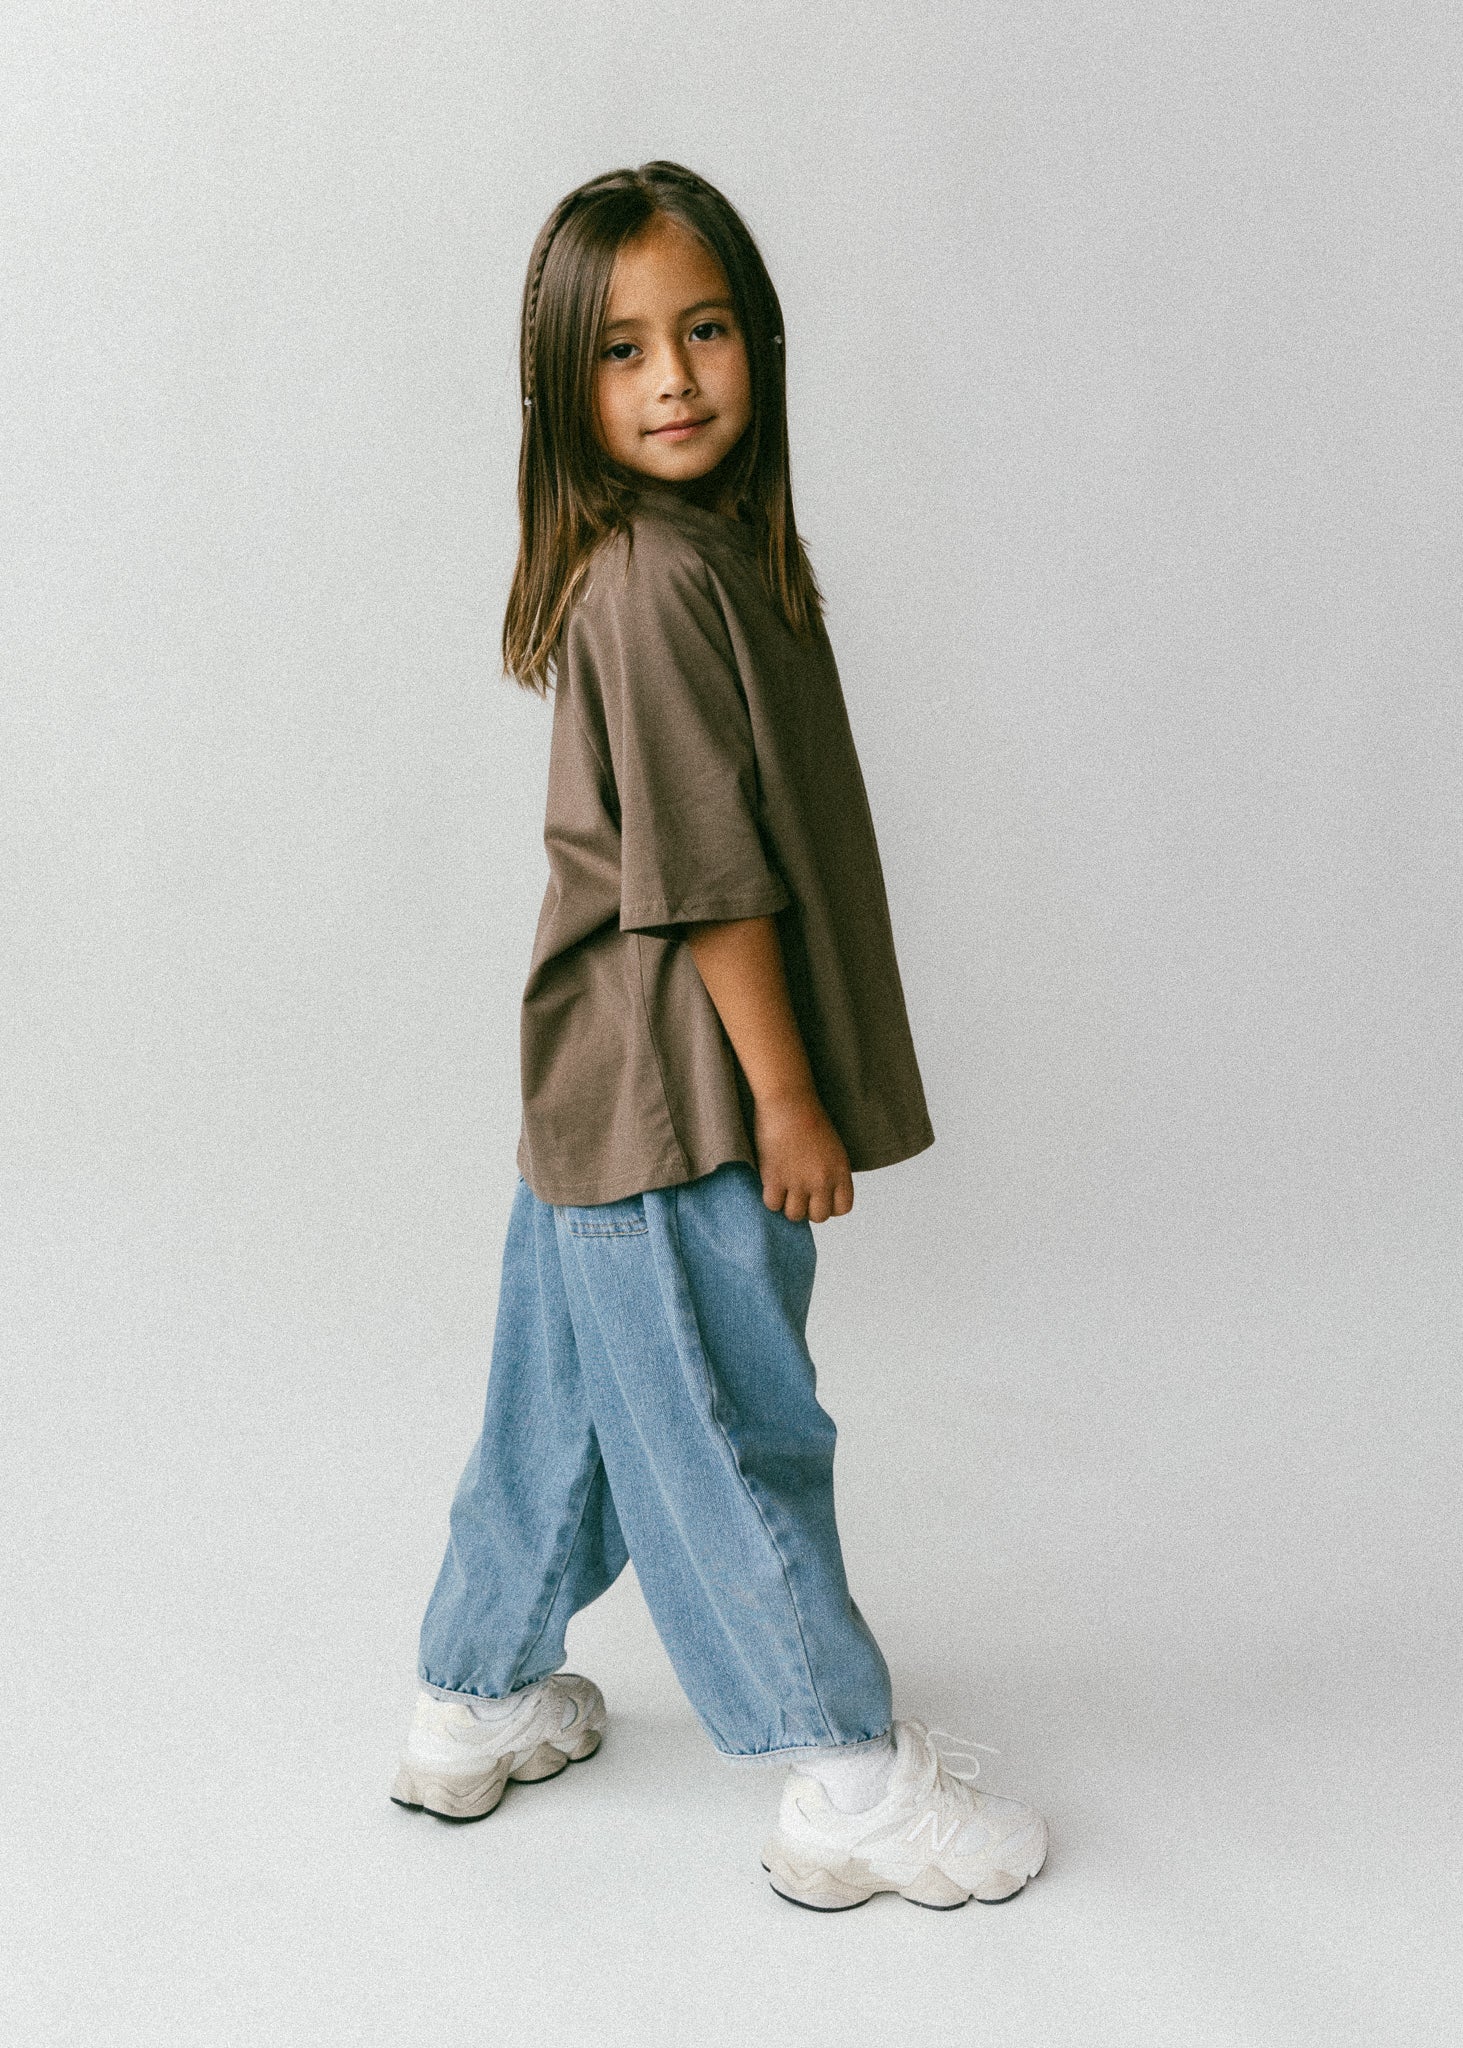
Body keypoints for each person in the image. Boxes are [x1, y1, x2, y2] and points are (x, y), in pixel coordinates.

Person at [390, 161, 1049, 1912]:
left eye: (703, 331)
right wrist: (790, 1101)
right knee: (731, 1428)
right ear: (564, 388)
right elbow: (707, 884)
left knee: (566, 1415)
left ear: (760, 339)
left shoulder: (700, 556)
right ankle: (841, 1774)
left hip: (594, 1096)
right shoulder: (652, 586)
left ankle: (472, 1696)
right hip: (680, 1102)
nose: (673, 378)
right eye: (621, 352)